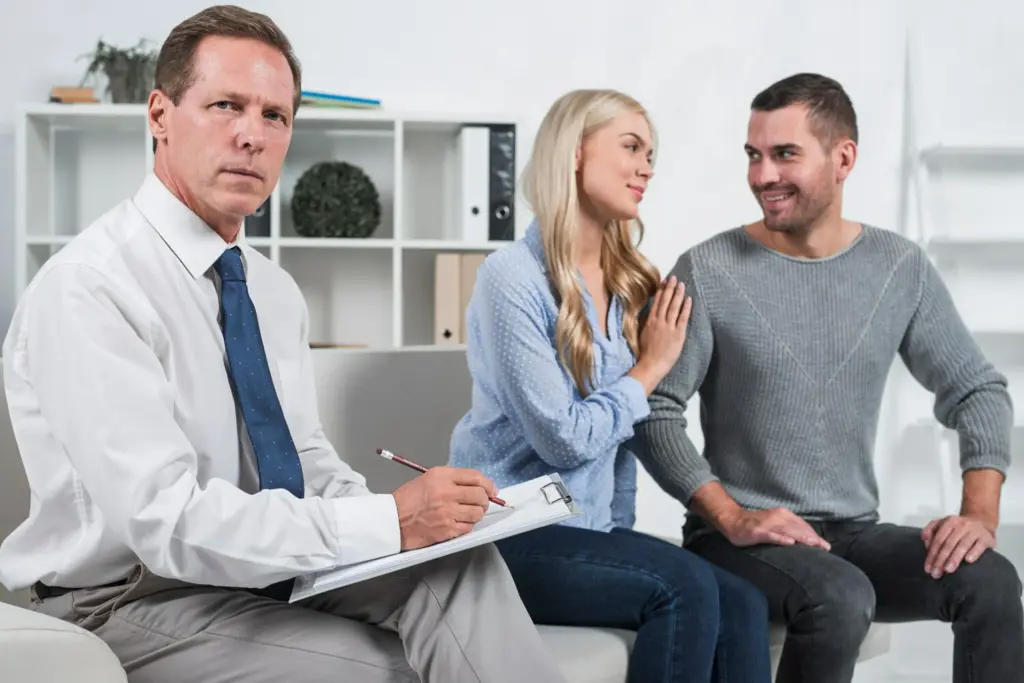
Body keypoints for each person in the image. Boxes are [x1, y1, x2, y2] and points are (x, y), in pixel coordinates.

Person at [0, 6, 569, 683]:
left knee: (460, 564)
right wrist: (390, 520)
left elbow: (303, 460)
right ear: (159, 115)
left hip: (263, 568)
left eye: (275, 115)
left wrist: (406, 521)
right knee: (381, 669)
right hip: (129, 595)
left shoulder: (271, 289)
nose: (252, 135)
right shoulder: (90, 287)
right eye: (225, 105)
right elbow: (167, 523)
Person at [629, 71, 1024, 683]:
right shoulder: (707, 271)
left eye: (785, 154)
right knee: (838, 598)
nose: (762, 175)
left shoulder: (899, 268)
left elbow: (978, 391)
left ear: (844, 159)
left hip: (854, 533)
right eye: (754, 155)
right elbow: (652, 409)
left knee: (991, 580)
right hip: (738, 540)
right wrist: (730, 516)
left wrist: (979, 514)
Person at [449, 88, 773, 683]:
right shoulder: (511, 278)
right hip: (507, 535)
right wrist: (649, 367)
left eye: (651, 154)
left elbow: (637, 429)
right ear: (575, 151)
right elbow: (564, 441)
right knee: (683, 588)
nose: (646, 166)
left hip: (593, 531)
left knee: (745, 605)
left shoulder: (629, 284)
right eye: (631, 147)